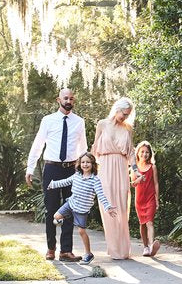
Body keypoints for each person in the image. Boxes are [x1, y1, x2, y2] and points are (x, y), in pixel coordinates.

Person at [25, 88, 87, 261]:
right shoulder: (48, 120)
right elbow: (38, 145)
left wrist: (84, 170)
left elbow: (83, 148)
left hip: (71, 169)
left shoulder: (79, 122)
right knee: (51, 209)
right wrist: (30, 169)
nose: (68, 101)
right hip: (52, 169)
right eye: (65, 98)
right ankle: (51, 248)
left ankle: (66, 251)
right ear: (58, 100)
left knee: (70, 208)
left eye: (71, 98)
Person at [47, 152, 118, 265]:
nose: (85, 164)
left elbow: (101, 195)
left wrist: (107, 207)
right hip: (71, 203)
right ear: (79, 164)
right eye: (83, 162)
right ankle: (68, 216)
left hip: (82, 209)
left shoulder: (95, 180)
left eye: (88, 162)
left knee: (81, 231)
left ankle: (88, 254)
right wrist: (53, 184)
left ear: (93, 164)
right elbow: (65, 182)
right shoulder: (77, 176)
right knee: (56, 216)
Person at [92, 97, 135, 259]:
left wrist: (135, 170)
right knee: (108, 207)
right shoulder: (102, 124)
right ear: (117, 110)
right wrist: (89, 171)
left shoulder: (128, 128)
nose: (125, 117)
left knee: (122, 207)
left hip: (122, 168)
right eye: (124, 113)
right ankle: (113, 248)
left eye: (128, 114)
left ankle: (123, 249)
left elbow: (131, 152)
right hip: (105, 168)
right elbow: (95, 149)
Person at [130, 140, 160, 257]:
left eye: (147, 152)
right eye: (142, 152)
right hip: (139, 200)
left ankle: (152, 245)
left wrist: (157, 199)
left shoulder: (153, 167)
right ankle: (145, 247)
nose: (144, 154)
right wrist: (139, 179)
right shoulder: (134, 168)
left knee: (149, 222)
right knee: (142, 224)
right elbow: (133, 184)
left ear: (150, 154)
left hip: (150, 198)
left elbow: (156, 183)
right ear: (138, 153)